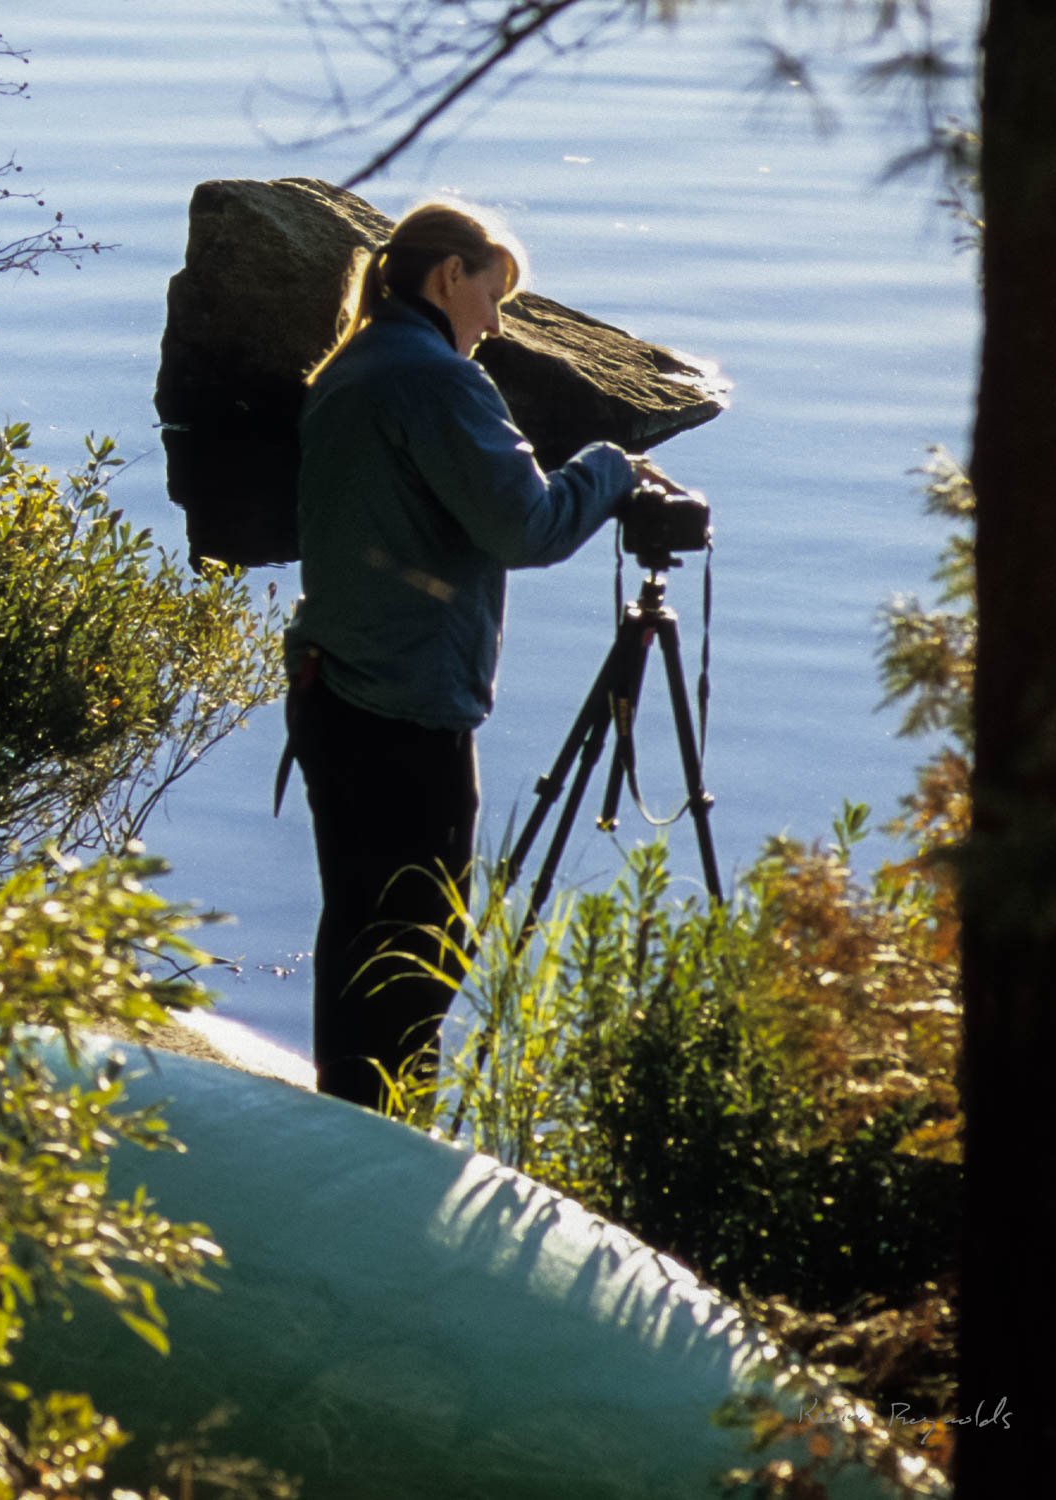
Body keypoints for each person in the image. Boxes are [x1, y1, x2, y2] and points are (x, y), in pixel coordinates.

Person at [283, 200, 672, 1109]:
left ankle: (348, 1119)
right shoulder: (435, 379)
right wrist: (611, 470)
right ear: (449, 277)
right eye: (493, 298)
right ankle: (398, 1127)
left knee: (357, 924)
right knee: (425, 937)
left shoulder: (352, 365)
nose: (496, 325)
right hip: (405, 704)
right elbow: (525, 527)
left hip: (333, 686)